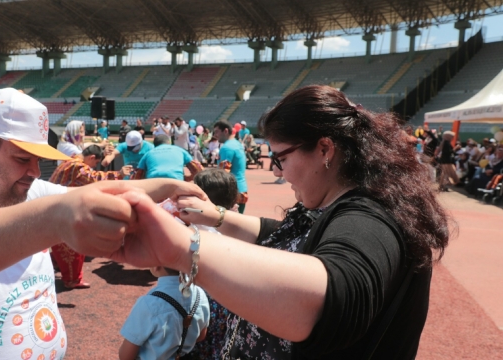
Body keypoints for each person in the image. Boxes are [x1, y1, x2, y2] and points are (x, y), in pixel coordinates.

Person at [110, 85, 450, 360]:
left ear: (325, 149)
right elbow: (286, 236)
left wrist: (185, 247)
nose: (277, 171)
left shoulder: (371, 216)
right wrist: (214, 216)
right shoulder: (341, 198)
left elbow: (334, 298)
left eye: (281, 158)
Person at [0, 87, 207, 359]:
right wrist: (57, 219)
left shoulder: (24, 190)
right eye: (23, 158)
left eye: (38, 160)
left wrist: (168, 188)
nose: (36, 172)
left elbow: (102, 192)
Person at [48, 145, 132, 289]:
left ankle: (59, 267)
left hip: (54, 208)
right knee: (74, 244)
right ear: (91, 157)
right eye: (95, 163)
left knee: (60, 243)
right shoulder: (78, 166)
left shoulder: (70, 161)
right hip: (62, 211)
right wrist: (119, 174)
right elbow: (95, 178)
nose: (94, 167)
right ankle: (72, 280)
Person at [186, 169, 238, 360]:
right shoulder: (239, 228)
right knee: (219, 343)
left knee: (192, 342)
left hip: (193, 297)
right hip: (225, 301)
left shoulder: (191, 226)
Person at [119, 264, 209, 360]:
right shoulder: (201, 294)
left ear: (157, 265)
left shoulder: (148, 304)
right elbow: (201, 336)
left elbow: (125, 356)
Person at [212, 120, 248, 213]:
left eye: (217, 131)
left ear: (226, 131)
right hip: (241, 189)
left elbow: (223, 173)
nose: (215, 135)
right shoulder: (237, 144)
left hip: (231, 192)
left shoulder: (227, 147)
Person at [133, 134, 203, 181]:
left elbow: (137, 175)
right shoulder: (179, 150)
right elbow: (196, 168)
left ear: (155, 145)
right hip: (176, 181)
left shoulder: (148, 153)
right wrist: (187, 178)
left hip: (154, 182)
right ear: (169, 142)